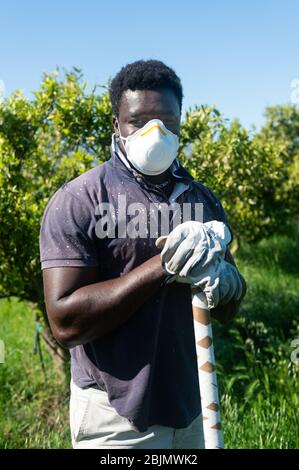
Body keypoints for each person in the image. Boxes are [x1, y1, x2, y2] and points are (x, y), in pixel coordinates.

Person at [39, 59, 247, 449]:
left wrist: (229, 286)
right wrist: (163, 266)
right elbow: (65, 324)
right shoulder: (81, 200)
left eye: (168, 121)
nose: (156, 133)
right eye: (139, 122)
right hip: (115, 415)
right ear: (117, 124)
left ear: (181, 122)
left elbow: (228, 310)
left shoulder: (199, 199)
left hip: (193, 406)